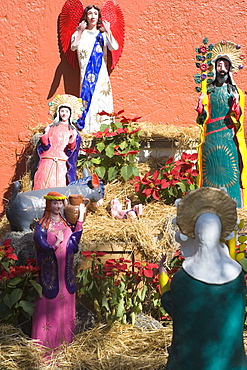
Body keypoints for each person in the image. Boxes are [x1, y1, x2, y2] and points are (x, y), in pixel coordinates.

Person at [160, 187, 247, 370]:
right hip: (231, 363)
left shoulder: (183, 279)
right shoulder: (237, 277)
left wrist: (162, 276)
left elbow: (173, 307)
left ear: (197, 236)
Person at [32, 191, 86, 348]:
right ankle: (46, 347)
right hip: (50, 277)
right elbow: (41, 245)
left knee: (65, 308)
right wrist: (56, 244)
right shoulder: (42, 226)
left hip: (65, 275)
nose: (58, 206)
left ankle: (65, 346)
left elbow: (74, 242)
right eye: (55, 203)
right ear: (49, 205)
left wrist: (80, 219)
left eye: (60, 203)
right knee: (47, 308)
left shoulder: (66, 223)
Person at [196, 41, 247, 208]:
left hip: (228, 138)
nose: (222, 68)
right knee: (210, 172)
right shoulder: (207, 91)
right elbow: (202, 118)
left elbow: (238, 117)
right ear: (214, 67)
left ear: (230, 68)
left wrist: (236, 104)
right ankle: (208, 207)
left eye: (225, 65)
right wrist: (200, 109)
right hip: (210, 138)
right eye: (219, 65)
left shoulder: (235, 92)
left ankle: (234, 208)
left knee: (230, 171)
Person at [71, 5, 118, 133]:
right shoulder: (79, 33)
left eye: (95, 14)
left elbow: (114, 47)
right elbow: (73, 47)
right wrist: (80, 31)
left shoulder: (102, 34)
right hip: (86, 73)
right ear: (86, 16)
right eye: (90, 13)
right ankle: (88, 128)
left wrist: (108, 31)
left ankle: (104, 129)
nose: (92, 16)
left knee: (101, 97)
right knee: (87, 98)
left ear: (98, 17)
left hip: (101, 73)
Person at [33, 94, 82, 190]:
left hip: (62, 162)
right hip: (48, 160)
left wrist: (73, 139)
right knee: (43, 182)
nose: (64, 114)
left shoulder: (72, 130)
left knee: (60, 183)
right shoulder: (51, 127)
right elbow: (45, 146)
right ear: (58, 112)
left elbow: (71, 150)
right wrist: (46, 134)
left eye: (67, 111)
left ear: (71, 114)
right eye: (62, 111)